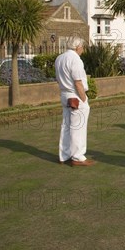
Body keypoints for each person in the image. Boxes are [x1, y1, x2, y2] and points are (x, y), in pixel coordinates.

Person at [55, 37, 94, 166]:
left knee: (66, 126)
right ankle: (77, 157)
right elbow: (78, 82)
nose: (83, 49)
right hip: (75, 96)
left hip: (65, 95)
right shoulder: (75, 59)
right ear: (78, 47)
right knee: (78, 127)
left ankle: (64, 155)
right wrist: (84, 98)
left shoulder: (59, 58)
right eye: (82, 47)